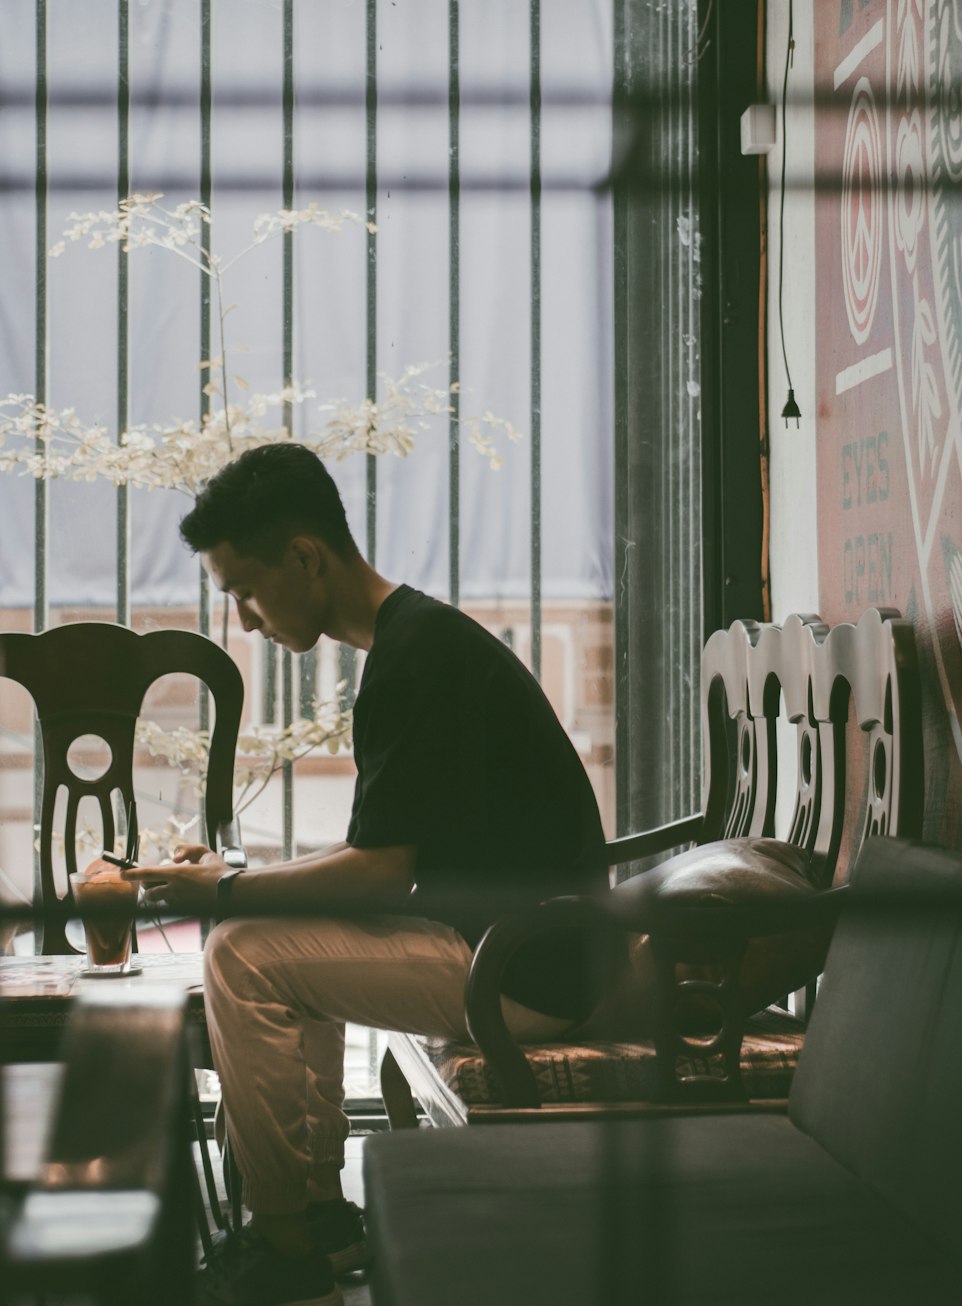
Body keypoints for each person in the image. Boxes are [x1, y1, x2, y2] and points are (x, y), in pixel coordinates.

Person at [127, 443, 615, 1306]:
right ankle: (317, 1216)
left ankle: (284, 1244)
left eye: (243, 590)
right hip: (514, 942)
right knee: (267, 940)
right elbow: (377, 864)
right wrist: (236, 875)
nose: (244, 620)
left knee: (242, 955)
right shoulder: (415, 642)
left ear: (305, 558)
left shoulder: (415, 660)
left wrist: (227, 893)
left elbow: (378, 879)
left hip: (523, 966)